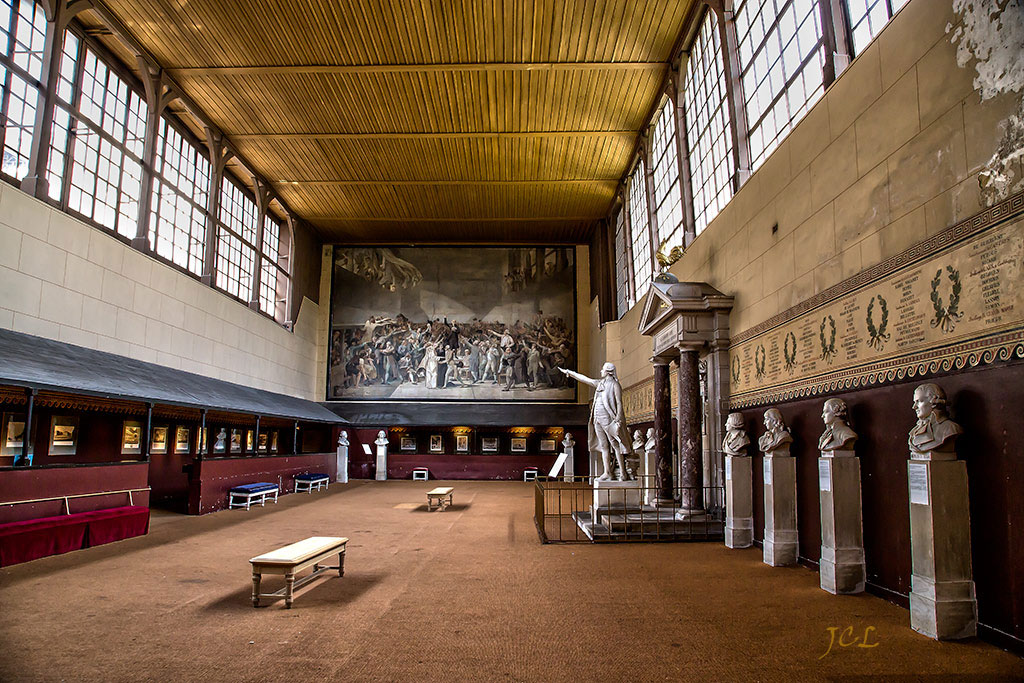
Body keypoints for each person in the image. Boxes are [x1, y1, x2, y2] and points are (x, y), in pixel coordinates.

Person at [558, 362, 633, 481]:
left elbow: (619, 402)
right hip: (597, 418)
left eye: (602, 369)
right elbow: (585, 379)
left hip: (609, 418)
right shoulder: (600, 383)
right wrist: (569, 372)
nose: (600, 371)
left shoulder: (614, 385)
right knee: (604, 446)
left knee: (615, 444)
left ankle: (623, 472)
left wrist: (618, 417)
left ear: (608, 371)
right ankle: (608, 472)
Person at [908, 383, 962, 457]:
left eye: (919, 401)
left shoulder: (950, 428)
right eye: (915, 402)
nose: (914, 407)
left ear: (933, 402)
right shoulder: (915, 432)